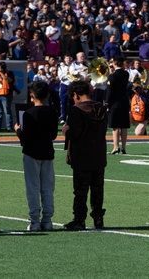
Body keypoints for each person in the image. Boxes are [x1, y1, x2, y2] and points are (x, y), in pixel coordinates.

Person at [62, 79, 107, 231]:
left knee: (80, 191)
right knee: (97, 189)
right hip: (98, 154)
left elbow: (74, 134)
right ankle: (98, 217)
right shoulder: (100, 107)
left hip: (82, 155)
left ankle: (79, 219)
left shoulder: (77, 110)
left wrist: (65, 129)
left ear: (75, 95)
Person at [14, 80, 57, 231]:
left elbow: (26, 138)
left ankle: (34, 221)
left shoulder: (28, 114)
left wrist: (18, 131)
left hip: (32, 152)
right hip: (47, 151)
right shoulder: (52, 112)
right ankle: (47, 220)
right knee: (47, 187)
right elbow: (53, 135)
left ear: (32, 96)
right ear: (47, 95)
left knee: (33, 187)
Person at [106, 56, 130, 154]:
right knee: (124, 126)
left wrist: (107, 103)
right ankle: (123, 147)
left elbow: (110, 91)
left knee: (115, 126)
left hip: (114, 102)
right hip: (124, 101)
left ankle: (116, 146)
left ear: (114, 63)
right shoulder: (126, 74)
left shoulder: (112, 76)